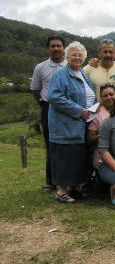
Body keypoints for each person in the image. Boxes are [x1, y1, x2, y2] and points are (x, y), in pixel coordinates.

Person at [47, 41, 96, 203]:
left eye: (80, 55)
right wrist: (78, 111)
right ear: (67, 57)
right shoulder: (61, 74)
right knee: (64, 157)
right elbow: (54, 97)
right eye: (73, 55)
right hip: (65, 125)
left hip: (81, 124)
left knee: (76, 156)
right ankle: (61, 191)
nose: (77, 57)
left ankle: (72, 189)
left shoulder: (82, 73)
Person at [31, 35, 67, 192]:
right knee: (51, 144)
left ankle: (70, 180)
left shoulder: (70, 65)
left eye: (59, 46)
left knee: (69, 144)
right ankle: (51, 181)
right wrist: (44, 104)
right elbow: (35, 89)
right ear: (48, 48)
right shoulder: (41, 67)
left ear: (64, 48)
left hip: (68, 110)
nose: (56, 49)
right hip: (49, 109)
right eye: (53, 46)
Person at [87, 84, 115, 171]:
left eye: (111, 94)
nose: (109, 97)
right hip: (102, 155)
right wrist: (105, 135)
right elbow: (90, 138)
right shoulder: (97, 114)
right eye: (105, 96)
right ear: (101, 98)